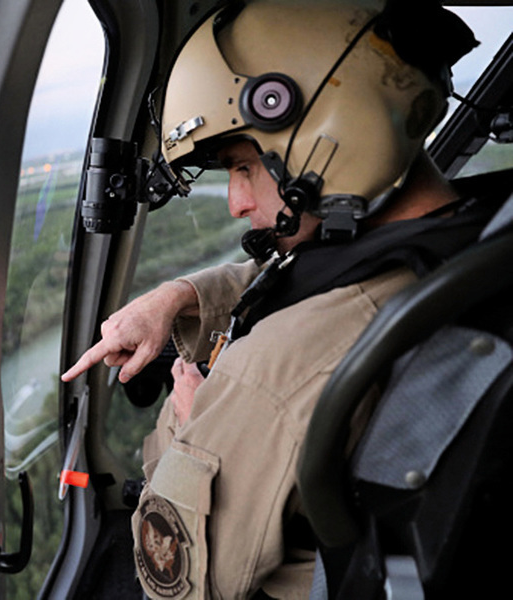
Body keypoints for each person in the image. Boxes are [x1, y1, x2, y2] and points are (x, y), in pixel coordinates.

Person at [62, 1, 485, 598]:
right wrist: (180, 296)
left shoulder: (275, 371)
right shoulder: (473, 228)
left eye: (241, 166)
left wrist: (192, 429)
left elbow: (175, 587)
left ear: (330, 131)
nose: (235, 202)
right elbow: (320, 272)